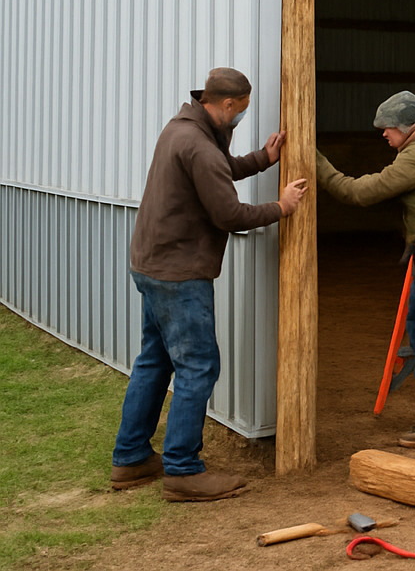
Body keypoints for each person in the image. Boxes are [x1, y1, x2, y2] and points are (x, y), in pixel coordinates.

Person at [111, 68, 307, 502]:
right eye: (241, 112)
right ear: (228, 105)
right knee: (198, 366)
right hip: (179, 274)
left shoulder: (182, 129)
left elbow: (218, 171)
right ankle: (182, 470)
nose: (240, 119)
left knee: (154, 361)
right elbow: (229, 215)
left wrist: (261, 158)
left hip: (152, 264)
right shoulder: (198, 144)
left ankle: (131, 458)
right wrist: (282, 206)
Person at [314, 90, 415, 448]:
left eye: (388, 128)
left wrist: (315, 162)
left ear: (407, 128)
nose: (384, 135)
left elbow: (360, 193)